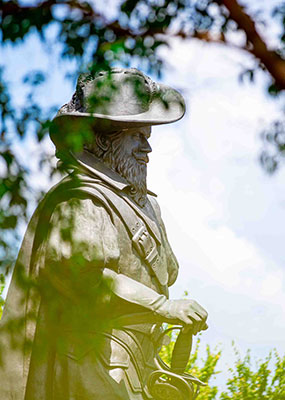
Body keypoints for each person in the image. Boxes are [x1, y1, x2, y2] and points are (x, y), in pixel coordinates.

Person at [0, 68, 208, 400]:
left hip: (139, 369)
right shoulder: (80, 197)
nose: (147, 149)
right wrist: (162, 307)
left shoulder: (146, 207)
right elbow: (79, 272)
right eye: (137, 136)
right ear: (102, 140)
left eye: (148, 137)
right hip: (92, 366)